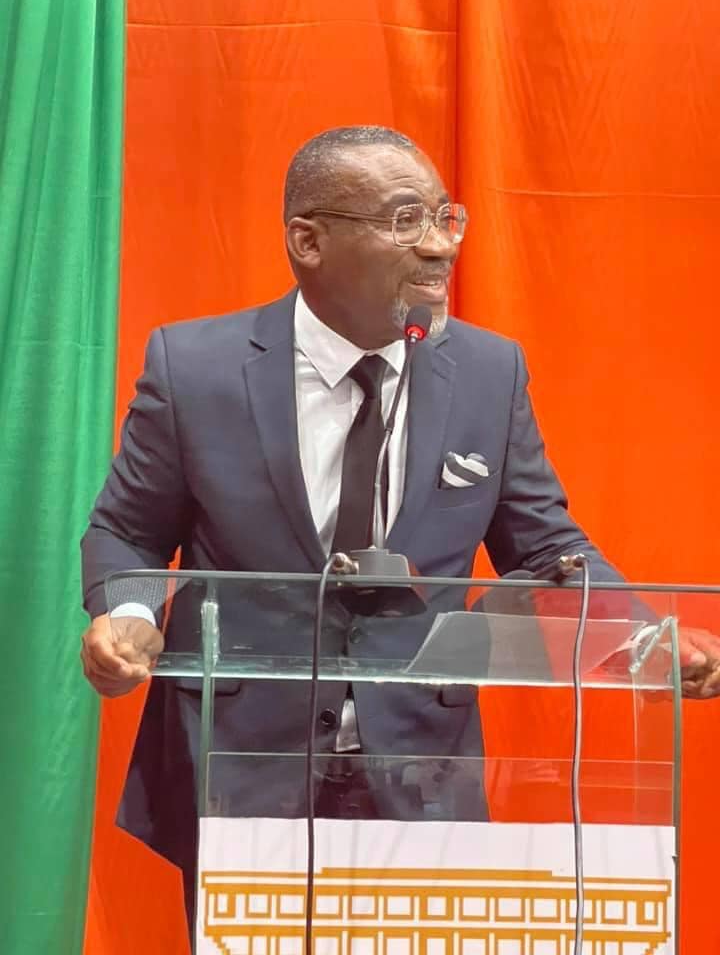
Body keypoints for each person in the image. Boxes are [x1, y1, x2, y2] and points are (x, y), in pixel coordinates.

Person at [80, 125, 720, 931]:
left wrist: (643, 634)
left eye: (445, 217)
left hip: (422, 772)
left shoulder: (487, 372)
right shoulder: (195, 368)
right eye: (405, 219)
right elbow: (127, 532)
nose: (440, 245)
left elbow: (548, 548)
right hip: (238, 766)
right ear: (308, 241)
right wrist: (127, 615)